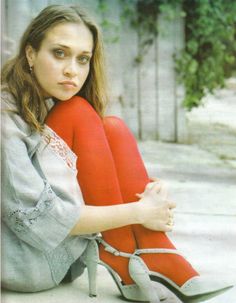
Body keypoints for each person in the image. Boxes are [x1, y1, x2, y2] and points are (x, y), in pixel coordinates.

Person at [1, 4, 233, 302]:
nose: (72, 69)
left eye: (82, 59)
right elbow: (39, 221)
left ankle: (151, 250)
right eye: (59, 53)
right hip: (27, 259)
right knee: (79, 112)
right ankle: (131, 255)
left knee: (113, 127)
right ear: (31, 54)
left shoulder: (44, 96)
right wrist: (139, 212)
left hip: (65, 251)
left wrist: (147, 189)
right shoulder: (5, 118)